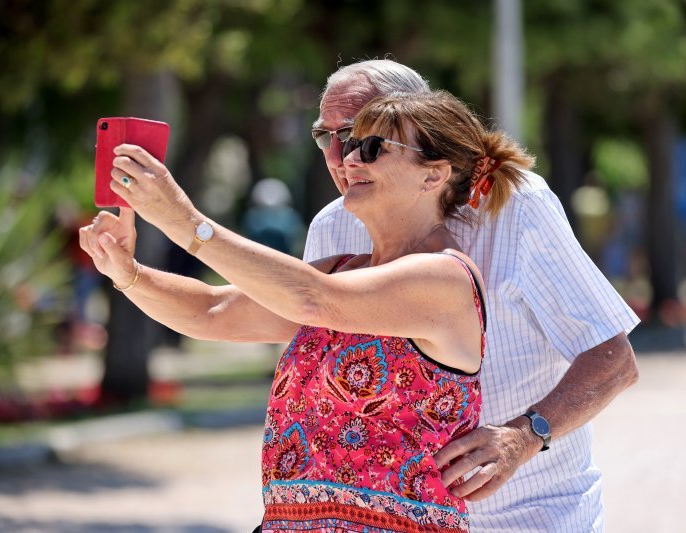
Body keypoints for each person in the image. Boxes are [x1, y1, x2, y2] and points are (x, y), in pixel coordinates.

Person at [79, 90, 534, 531]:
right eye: (352, 145)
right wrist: (125, 271)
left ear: (433, 175)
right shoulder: (340, 271)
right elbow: (213, 310)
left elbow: (315, 299)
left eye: (373, 147)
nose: (349, 159)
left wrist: (181, 218)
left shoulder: (444, 278)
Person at [304, 59, 639, 532]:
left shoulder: (516, 206)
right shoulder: (332, 227)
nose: (341, 157)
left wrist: (524, 436)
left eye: (361, 136)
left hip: (529, 517)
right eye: (325, 137)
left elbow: (613, 357)